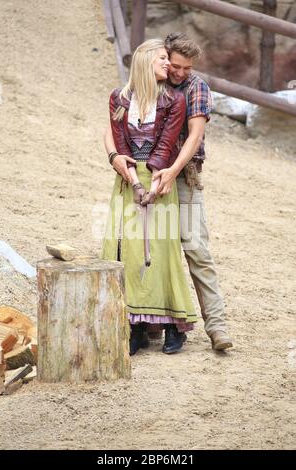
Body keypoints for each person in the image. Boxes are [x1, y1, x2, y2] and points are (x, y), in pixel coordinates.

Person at [105, 33, 233, 351]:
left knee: (194, 248)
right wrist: (118, 160)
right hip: (147, 176)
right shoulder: (142, 87)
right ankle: (149, 324)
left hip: (181, 176)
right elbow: (113, 129)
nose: (179, 72)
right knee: (146, 249)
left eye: (185, 67)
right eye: (174, 64)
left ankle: (216, 326)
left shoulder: (194, 87)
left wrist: (172, 172)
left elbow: (194, 135)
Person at [101, 38, 197, 356]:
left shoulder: (173, 100)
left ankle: (173, 326)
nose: (167, 65)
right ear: (144, 60)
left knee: (162, 252)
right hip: (128, 180)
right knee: (129, 252)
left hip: (160, 178)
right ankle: (136, 327)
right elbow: (119, 142)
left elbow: (167, 142)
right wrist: (133, 182)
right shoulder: (119, 98)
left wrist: (153, 183)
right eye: (162, 59)